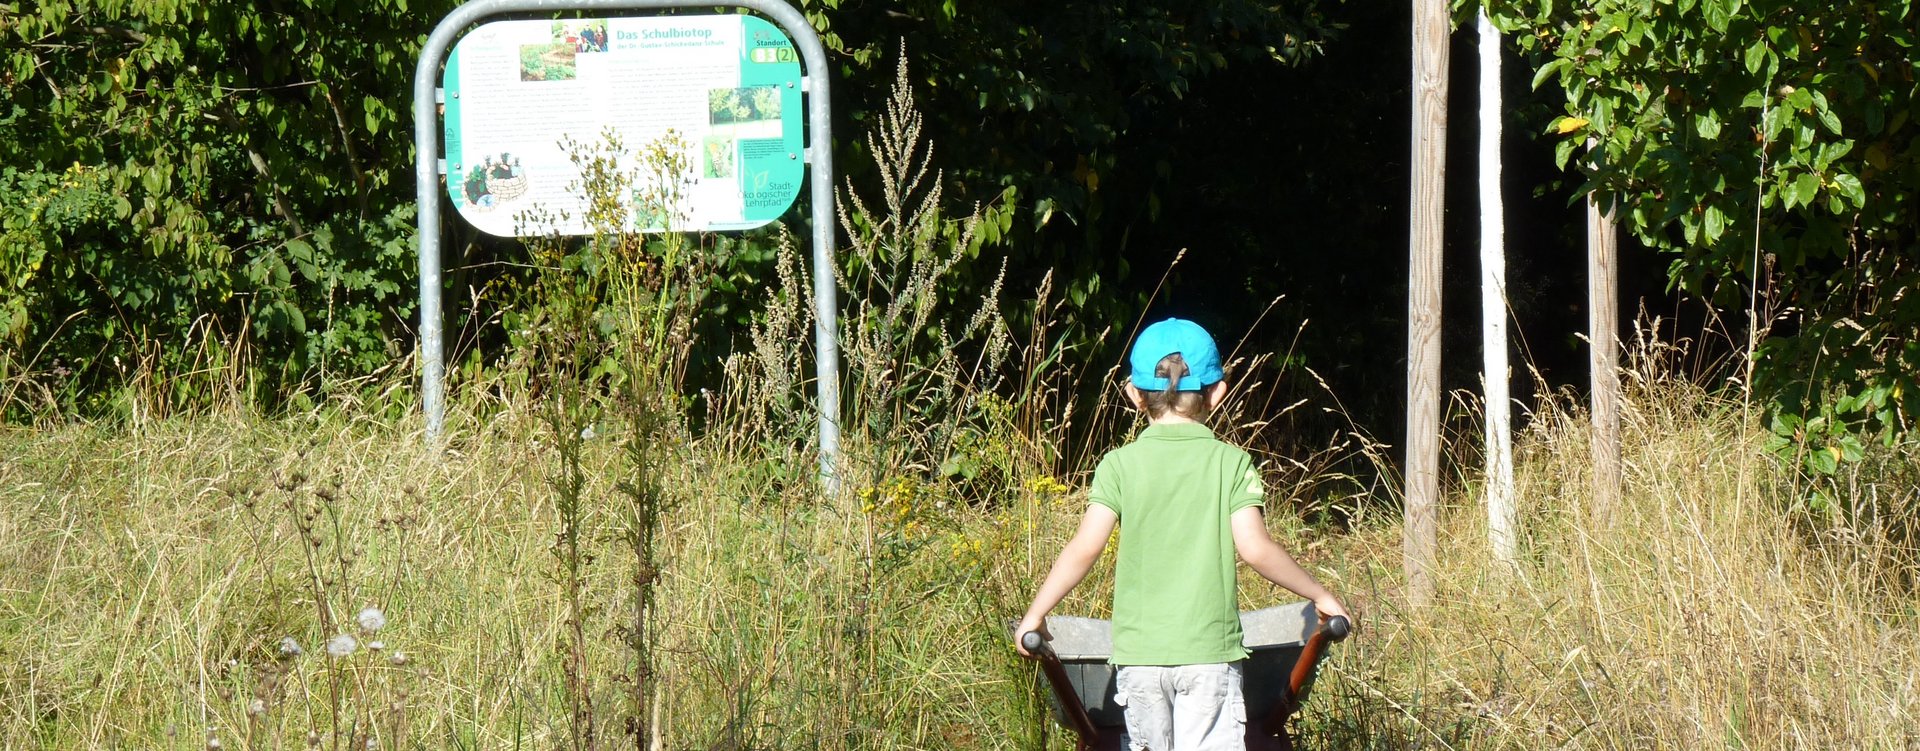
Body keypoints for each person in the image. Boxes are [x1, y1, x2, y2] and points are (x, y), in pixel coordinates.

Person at [1013, 317, 1351, 751]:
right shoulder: (1231, 462)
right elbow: (1255, 548)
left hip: (1140, 659)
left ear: (1133, 394)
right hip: (1208, 656)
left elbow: (1085, 547)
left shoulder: (1118, 464)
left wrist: (1036, 613)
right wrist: (1319, 595)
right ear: (1218, 393)